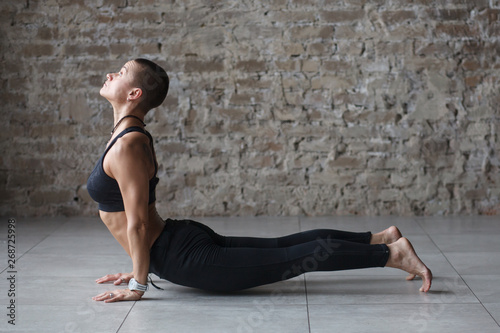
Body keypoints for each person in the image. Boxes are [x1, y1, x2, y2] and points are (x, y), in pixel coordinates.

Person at [88, 59, 432, 303]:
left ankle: (390, 253)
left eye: (119, 73)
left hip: (182, 254)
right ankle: (379, 239)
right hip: (177, 241)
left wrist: (138, 283)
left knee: (291, 258)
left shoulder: (129, 143)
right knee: (284, 248)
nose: (110, 74)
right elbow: (136, 222)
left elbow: (136, 224)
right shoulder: (126, 135)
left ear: (134, 93)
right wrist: (138, 265)